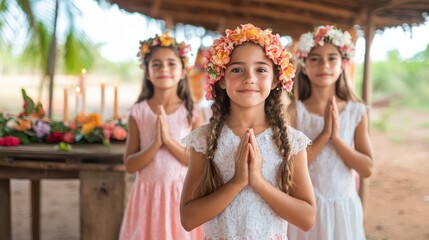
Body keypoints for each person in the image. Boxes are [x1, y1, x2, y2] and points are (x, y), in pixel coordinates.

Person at [180, 23, 317, 239]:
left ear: (275, 80)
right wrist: (236, 182)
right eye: (237, 69)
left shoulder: (291, 142)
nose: (249, 77)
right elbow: (188, 219)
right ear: (221, 79)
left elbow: (307, 218)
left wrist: (259, 182)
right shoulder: (204, 140)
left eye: (261, 69)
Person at [287, 25, 374, 240]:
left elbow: (367, 168)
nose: (324, 65)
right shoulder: (293, 112)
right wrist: (324, 135)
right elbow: (289, 168)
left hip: (342, 206)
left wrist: (336, 138)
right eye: (315, 59)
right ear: (304, 66)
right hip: (305, 207)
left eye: (332, 58)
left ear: (343, 63)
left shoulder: (356, 111)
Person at [119, 32, 204, 240]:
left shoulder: (192, 113)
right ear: (147, 73)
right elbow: (130, 165)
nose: (164, 68)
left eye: (171, 64)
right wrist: (155, 143)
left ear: (183, 71)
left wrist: (167, 141)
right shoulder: (138, 112)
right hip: (146, 198)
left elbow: (197, 163)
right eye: (156, 64)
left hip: (181, 197)